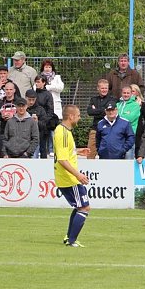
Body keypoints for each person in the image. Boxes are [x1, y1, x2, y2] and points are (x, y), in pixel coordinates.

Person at [54, 104, 91, 247]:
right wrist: (78, 175)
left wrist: (78, 151)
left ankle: (69, 237)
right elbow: (62, 160)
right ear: (71, 116)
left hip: (68, 177)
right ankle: (72, 241)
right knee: (84, 208)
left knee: (79, 207)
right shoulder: (62, 133)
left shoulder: (64, 131)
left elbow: (64, 153)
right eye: (79, 115)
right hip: (69, 178)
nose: (79, 118)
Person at [115, 85, 145, 159]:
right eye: (124, 93)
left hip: (129, 135)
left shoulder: (136, 105)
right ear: (121, 93)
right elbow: (112, 117)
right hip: (118, 135)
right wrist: (125, 115)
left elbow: (130, 118)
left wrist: (119, 116)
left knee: (129, 157)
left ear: (131, 94)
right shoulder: (118, 104)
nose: (126, 95)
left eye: (128, 93)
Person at [25, 89, 50, 158]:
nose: (31, 102)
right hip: (23, 139)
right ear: (25, 98)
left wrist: (37, 122)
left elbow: (45, 125)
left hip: (36, 139)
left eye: (33, 100)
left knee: (34, 157)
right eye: (29, 99)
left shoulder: (40, 109)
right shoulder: (22, 109)